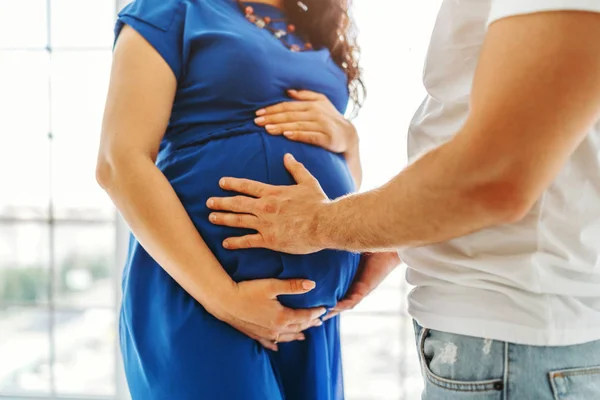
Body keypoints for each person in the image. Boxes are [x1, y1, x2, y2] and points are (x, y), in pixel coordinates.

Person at [206, 2, 600, 399]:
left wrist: (313, 224)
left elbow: (497, 174)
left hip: (514, 342)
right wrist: (400, 237)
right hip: (508, 342)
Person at [96, 0, 398, 399]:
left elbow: (329, 188)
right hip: (200, 297)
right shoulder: (173, 8)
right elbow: (119, 162)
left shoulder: (312, 22)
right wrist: (225, 299)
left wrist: (349, 143)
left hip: (309, 322)